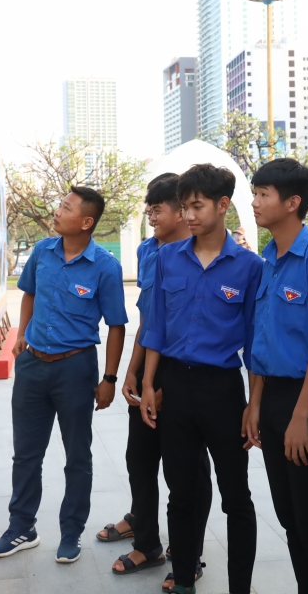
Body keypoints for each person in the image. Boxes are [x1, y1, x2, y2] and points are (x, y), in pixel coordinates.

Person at [139, 164, 262, 594]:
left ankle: (240, 587)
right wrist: (150, 385)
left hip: (222, 390)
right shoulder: (167, 258)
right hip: (174, 386)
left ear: (222, 205)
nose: (188, 215)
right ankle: (185, 577)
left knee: (236, 497)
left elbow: (255, 345)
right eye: (184, 206)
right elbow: (156, 325)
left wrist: (253, 404)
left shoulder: (249, 267)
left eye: (197, 205)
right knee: (181, 492)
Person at [0, 187, 128, 564]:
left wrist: (109, 379)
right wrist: (21, 335)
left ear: (86, 222)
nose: (57, 211)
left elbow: (116, 325)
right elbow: (28, 294)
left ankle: (71, 533)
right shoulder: (42, 252)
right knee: (26, 454)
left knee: (77, 456)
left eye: (66, 207)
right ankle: (21, 527)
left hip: (76, 368)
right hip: (33, 365)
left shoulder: (105, 266)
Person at [103, 174, 212, 591]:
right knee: (140, 459)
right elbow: (149, 320)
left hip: (185, 373)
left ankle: (189, 556)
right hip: (149, 366)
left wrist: (161, 379)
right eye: (148, 208)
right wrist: (132, 371)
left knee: (186, 473)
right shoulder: (149, 251)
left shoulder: (203, 255)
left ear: (183, 211)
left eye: (157, 208)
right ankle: (147, 542)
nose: (150, 215)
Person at [242, 158, 308, 592]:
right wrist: (256, 405)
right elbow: (262, 340)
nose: (256, 202)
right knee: (288, 516)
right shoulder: (266, 260)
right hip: (274, 401)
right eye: (256, 192)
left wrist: (301, 416)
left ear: (293, 202)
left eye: (264, 194)